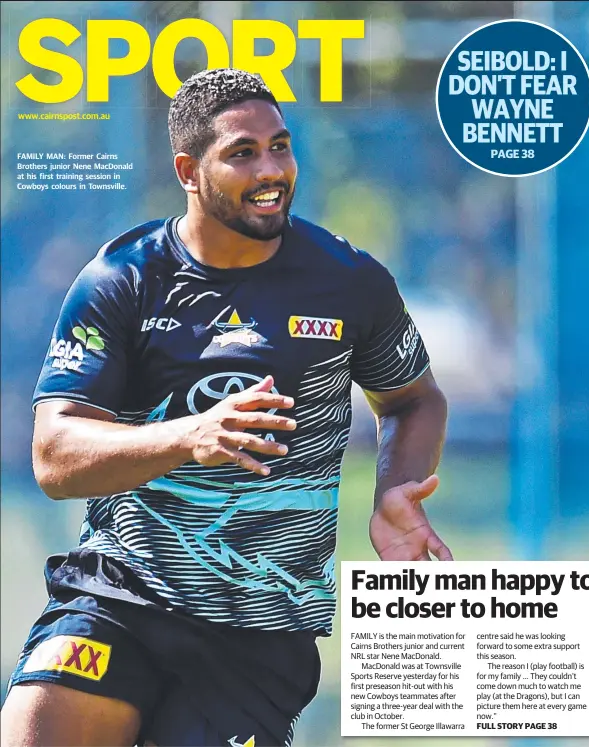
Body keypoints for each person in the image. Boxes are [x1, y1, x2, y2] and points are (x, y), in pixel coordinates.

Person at [1, 68, 451, 747]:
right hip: (123, 593)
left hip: (260, 630)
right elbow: (56, 454)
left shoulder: (350, 282)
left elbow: (413, 399)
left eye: (281, 146)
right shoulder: (122, 279)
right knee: (40, 725)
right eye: (243, 152)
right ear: (189, 169)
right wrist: (189, 436)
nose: (271, 169)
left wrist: (394, 489)